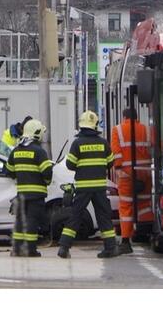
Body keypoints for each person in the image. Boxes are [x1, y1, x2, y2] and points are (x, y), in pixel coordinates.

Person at [58, 110, 119, 259]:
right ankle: (110, 248)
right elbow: (111, 162)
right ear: (95, 125)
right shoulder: (103, 143)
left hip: (83, 187)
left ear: (81, 126)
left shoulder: (77, 143)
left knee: (75, 215)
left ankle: (64, 247)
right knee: (103, 216)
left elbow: (70, 164)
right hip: (99, 187)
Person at [5, 119, 53, 257]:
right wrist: (47, 181)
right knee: (32, 221)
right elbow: (47, 173)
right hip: (37, 195)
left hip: (21, 194)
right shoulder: (39, 152)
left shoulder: (16, 150)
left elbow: (9, 171)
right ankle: (30, 250)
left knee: (20, 221)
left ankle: (17, 249)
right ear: (37, 133)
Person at [110, 107, 151, 254]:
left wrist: (120, 169)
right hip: (145, 173)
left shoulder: (117, 130)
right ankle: (145, 233)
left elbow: (116, 153)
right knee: (145, 204)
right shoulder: (146, 129)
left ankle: (126, 241)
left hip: (126, 176)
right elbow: (158, 147)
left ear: (124, 117)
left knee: (126, 208)